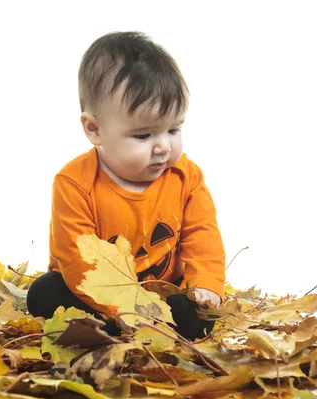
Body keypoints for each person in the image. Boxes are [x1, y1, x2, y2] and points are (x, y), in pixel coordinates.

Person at [27, 31, 225, 341]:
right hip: (97, 298)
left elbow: (202, 236)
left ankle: (167, 322)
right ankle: (109, 329)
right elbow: (78, 261)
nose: (162, 147)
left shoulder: (187, 176)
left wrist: (206, 285)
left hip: (164, 292)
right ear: (95, 129)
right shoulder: (74, 184)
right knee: (44, 294)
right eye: (144, 136)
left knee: (195, 311)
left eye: (173, 129)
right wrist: (122, 308)